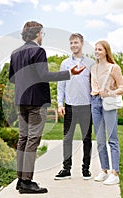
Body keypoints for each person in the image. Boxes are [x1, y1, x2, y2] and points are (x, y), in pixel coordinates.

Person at [9, 21, 86, 194]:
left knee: (23, 138)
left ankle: (20, 180)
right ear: (37, 33)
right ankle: (27, 182)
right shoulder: (38, 51)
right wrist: (69, 73)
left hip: (20, 101)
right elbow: (43, 75)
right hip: (36, 102)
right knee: (32, 139)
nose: (42, 36)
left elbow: (12, 78)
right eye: (42, 33)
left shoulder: (15, 53)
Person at [54, 33, 95, 180]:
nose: (73, 45)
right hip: (69, 106)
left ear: (82, 43)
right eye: (71, 43)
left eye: (76, 42)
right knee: (67, 138)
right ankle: (66, 169)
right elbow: (61, 85)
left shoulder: (91, 63)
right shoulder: (65, 64)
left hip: (86, 106)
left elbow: (94, 84)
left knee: (87, 139)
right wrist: (60, 104)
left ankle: (86, 169)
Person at [90, 40, 123, 185]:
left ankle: (115, 173)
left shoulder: (114, 68)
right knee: (99, 140)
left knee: (112, 138)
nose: (97, 51)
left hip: (108, 103)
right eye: (95, 49)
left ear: (106, 51)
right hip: (95, 103)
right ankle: (104, 170)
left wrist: (111, 92)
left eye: (100, 49)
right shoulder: (93, 68)